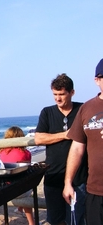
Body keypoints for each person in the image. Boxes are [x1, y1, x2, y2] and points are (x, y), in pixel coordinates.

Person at [34, 73, 87, 225]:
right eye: (55, 94)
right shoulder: (47, 112)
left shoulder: (82, 110)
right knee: (56, 221)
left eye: (62, 94)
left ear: (72, 92)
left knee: (77, 220)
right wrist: (66, 135)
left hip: (79, 178)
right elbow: (38, 139)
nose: (58, 98)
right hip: (53, 176)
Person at [63, 59, 103, 224]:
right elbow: (77, 147)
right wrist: (68, 182)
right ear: (97, 80)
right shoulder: (86, 109)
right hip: (95, 190)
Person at [0, 126, 34, 225]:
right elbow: (27, 170)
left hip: (3, 188)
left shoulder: (0, 153)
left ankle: (19, 209)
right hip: (19, 189)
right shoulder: (26, 153)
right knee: (27, 185)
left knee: (20, 182)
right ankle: (31, 222)